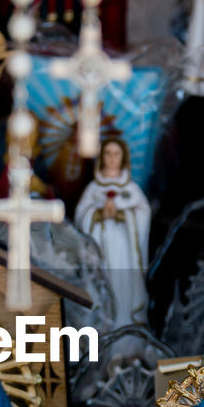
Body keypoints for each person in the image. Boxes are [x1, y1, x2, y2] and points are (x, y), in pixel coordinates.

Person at [74, 138, 150, 326]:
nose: (112, 158)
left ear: (123, 157)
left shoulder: (131, 189)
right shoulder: (93, 189)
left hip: (125, 254)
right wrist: (98, 214)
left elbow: (144, 213)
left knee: (124, 288)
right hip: (101, 251)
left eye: (116, 154)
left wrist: (123, 215)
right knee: (103, 287)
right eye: (107, 153)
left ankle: (128, 342)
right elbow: (80, 215)